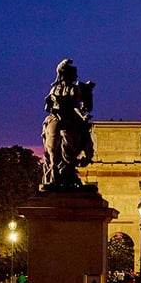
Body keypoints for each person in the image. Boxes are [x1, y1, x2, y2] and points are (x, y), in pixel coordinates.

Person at [41, 58, 96, 189]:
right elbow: (76, 106)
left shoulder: (55, 88)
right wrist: (83, 116)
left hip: (54, 118)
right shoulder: (73, 88)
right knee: (84, 132)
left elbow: (47, 106)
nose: (76, 76)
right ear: (70, 75)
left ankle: (54, 174)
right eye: (74, 74)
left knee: (49, 139)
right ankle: (86, 156)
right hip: (68, 119)